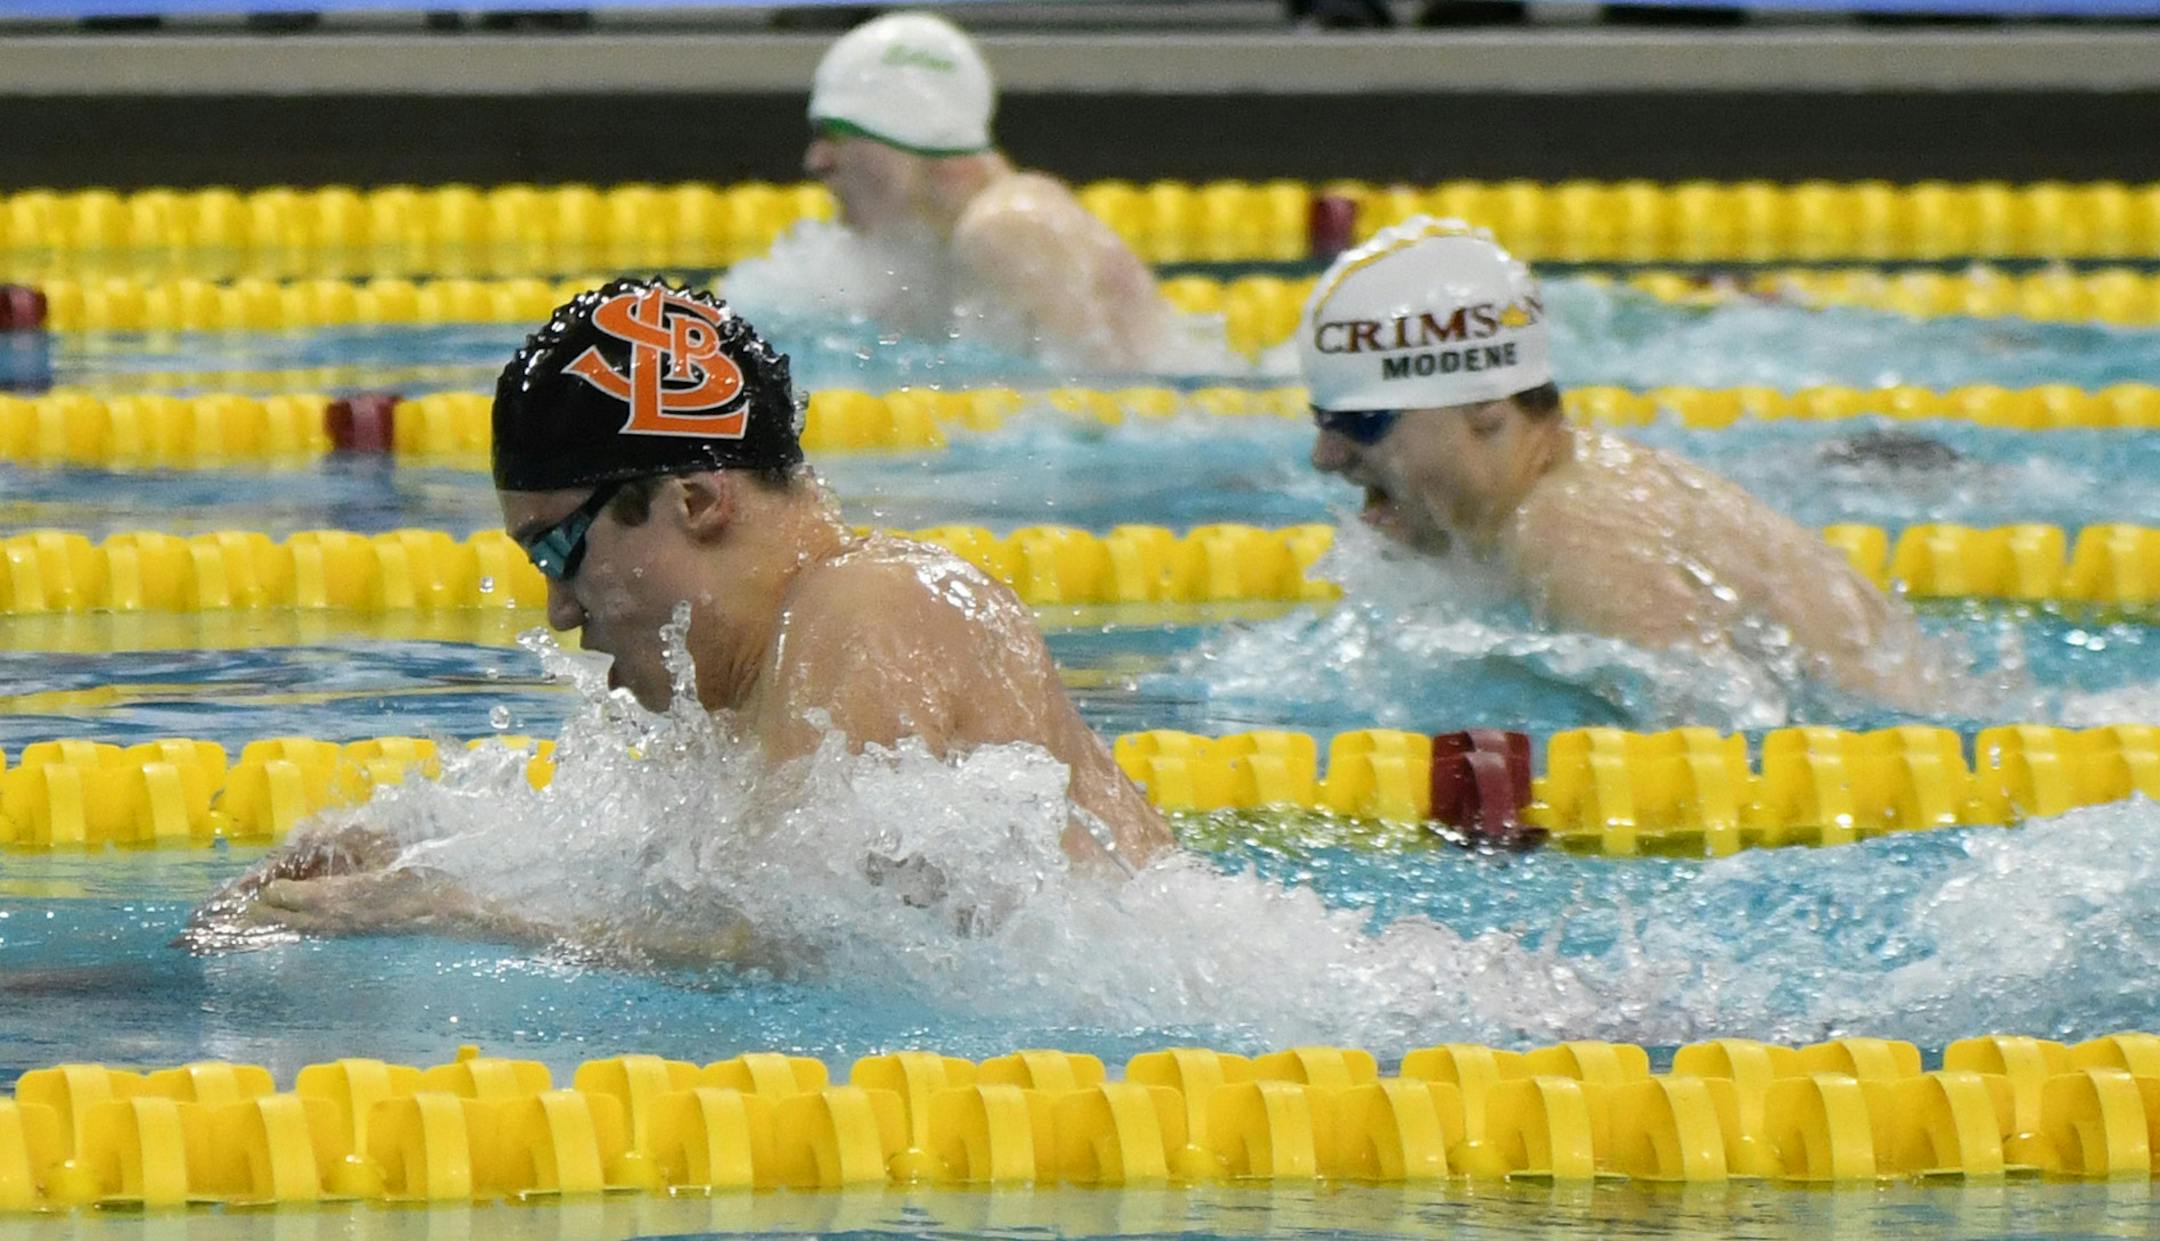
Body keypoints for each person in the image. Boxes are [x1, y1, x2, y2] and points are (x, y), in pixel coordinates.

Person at [188, 278, 1171, 949]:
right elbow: (729, 902)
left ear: (696, 500)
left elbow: (809, 944)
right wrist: (420, 855)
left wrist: (454, 911)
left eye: (558, 548)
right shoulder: (771, 676)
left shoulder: (870, 603)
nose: (561, 607)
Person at [1300, 215, 1950, 708]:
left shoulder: (1575, 537)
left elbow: (1714, 764)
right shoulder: (1566, 488)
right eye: (1324, 422)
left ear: (1486, 407)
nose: (1326, 456)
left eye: (1363, 422)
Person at [800, 11, 1180, 371]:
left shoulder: (1006, 228)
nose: (817, 161)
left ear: (912, 136)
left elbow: (1106, 407)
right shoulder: (962, 238)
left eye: (836, 135)